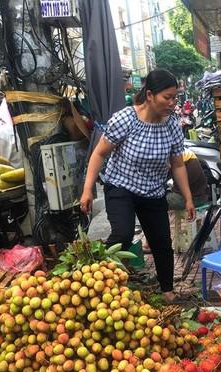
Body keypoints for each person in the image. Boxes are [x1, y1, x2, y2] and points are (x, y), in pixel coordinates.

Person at [80, 69, 195, 304]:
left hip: (153, 191)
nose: (172, 103)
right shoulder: (126, 119)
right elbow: (99, 154)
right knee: (121, 234)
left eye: (175, 98)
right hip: (121, 186)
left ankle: (167, 290)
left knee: (162, 242)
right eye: (167, 97)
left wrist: (188, 197)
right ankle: (99, 280)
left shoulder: (172, 125)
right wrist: (87, 189)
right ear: (150, 95)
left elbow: (178, 165)